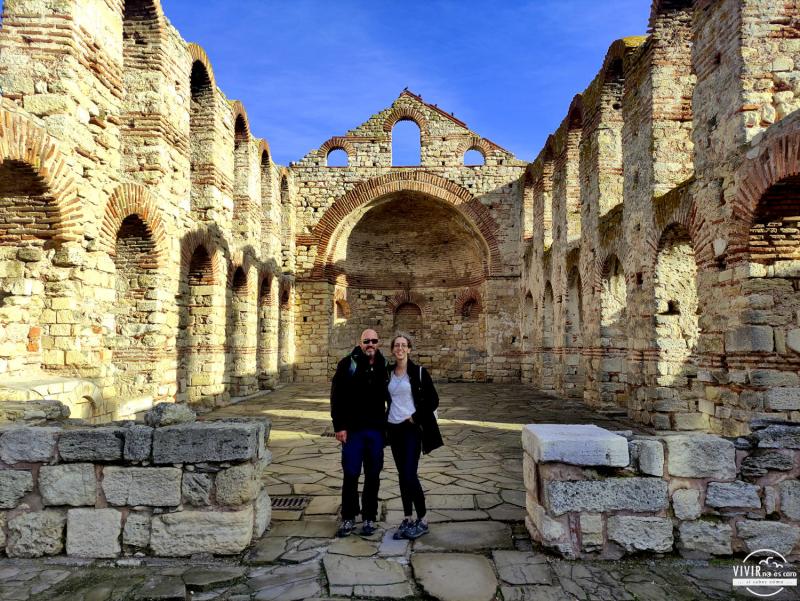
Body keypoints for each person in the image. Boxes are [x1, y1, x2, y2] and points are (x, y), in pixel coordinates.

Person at [330, 328, 390, 537]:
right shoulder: (348, 364)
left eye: (374, 340)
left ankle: (369, 516)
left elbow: (392, 398)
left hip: (375, 431)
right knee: (351, 473)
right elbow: (336, 397)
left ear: (378, 343)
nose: (370, 344)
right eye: (367, 341)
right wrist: (339, 426)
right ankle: (348, 516)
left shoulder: (384, 366)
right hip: (353, 431)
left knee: (373, 475)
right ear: (360, 342)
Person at [386, 332, 443, 540]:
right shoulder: (388, 373)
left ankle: (423, 518)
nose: (400, 348)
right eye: (396, 345)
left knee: (410, 474)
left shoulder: (419, 372)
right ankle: (408, 516)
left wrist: (415, 417)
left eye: (404, 345)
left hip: (411, 429)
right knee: (402, 475)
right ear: (393, 350)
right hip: (393, 428)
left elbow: (433, 400)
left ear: (409, 349)